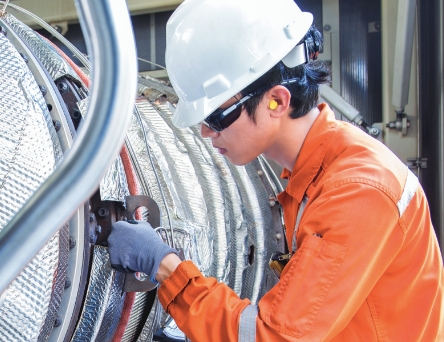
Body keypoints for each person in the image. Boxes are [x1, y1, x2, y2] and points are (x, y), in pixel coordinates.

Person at [108, 0, 444, 340]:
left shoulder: (358, 190)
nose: (207, 133)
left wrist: (165, 266)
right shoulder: (313, 177)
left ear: (277, 101)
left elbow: (274, 336)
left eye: (216, 118)